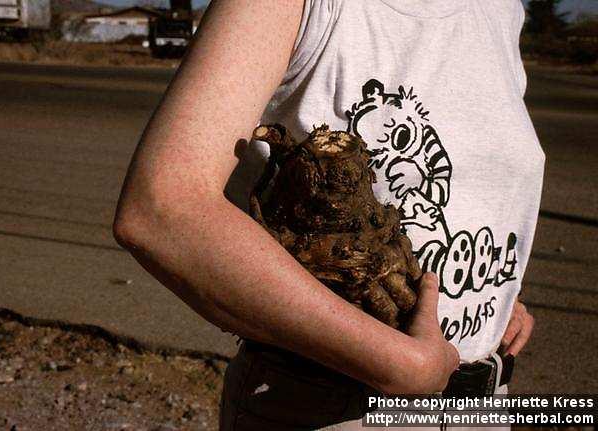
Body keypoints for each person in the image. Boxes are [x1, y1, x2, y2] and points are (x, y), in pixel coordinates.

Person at [113, 0, 543, 429]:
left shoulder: (500, 9)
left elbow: (477, 172)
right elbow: (163, 209)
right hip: (335, 407)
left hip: (485, 405)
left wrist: (490, 292)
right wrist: (401, 364)